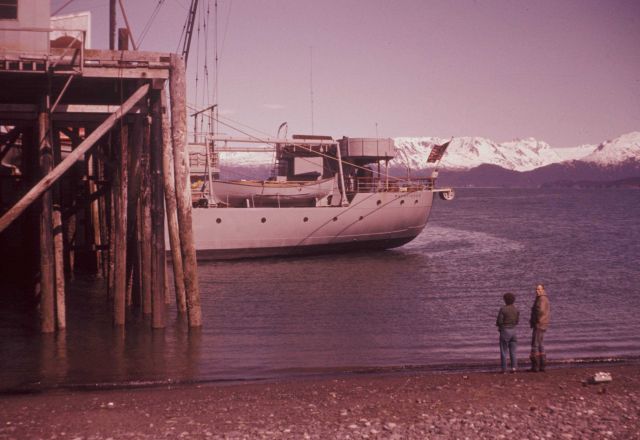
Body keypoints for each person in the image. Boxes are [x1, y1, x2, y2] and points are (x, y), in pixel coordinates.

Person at [529, 284, 551, 372]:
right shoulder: (543, 298)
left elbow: (540, 311)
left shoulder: (541, 299)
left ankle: (536, 367)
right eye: (536, 289)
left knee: (535, 344)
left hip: (539, 324)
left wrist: (536, 320)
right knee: (540, 344)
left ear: (543, 290)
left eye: (539, 289)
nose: (537, 291)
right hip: (543, 324)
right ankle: (542, 366)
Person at [496, 292, 519, 373]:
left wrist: (500, 328)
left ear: (505, 300)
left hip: (505, 331)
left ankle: (504, 369)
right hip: (514, 331)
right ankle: (514, 368)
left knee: (503, 351)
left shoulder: (503, 309)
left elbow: (499, 321)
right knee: (513, 351)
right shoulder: (516, 309)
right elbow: (517, 321)